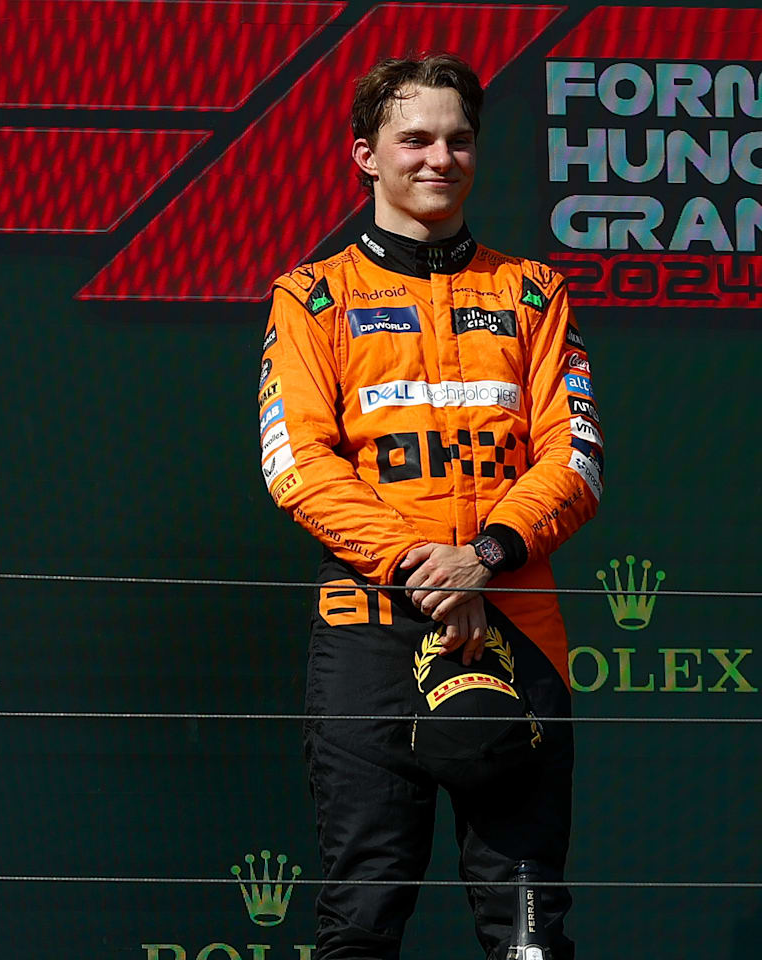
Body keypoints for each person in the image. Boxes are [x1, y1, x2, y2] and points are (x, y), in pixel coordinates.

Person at [257, 55, 600, 959]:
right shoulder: (312, 297)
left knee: (529, 930)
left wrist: (482, 557)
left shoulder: (532, 292)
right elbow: (297, 465)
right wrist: (429, 567)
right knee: (362, 921)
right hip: (370, 629)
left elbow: (578, 459)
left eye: (458, 138)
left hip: (515, 620)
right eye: (414, 138)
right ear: (365, 155)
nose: (438, 157)